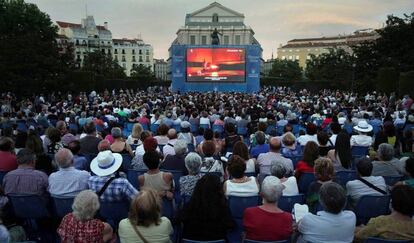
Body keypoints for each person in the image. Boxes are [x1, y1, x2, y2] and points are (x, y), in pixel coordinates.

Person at [180, 174, 235, 241]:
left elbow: (178, 220)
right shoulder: (222, 208)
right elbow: (231, 225)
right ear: (218, 189)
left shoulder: (189, 206)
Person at [243, 176, 292, 241]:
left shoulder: (249, 212)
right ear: (281, 194)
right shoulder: (288, 218)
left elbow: (245, 235)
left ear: (261, 194)